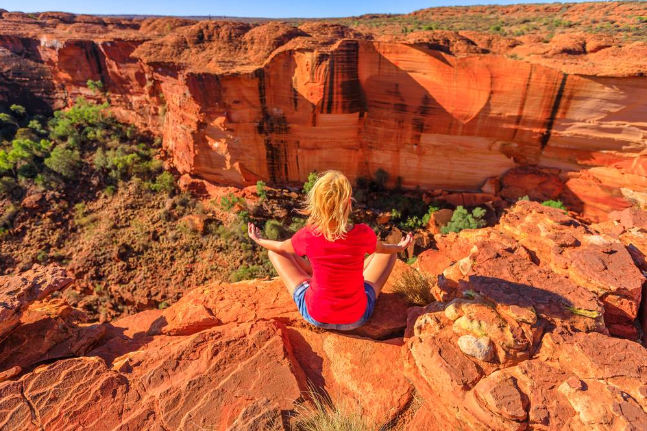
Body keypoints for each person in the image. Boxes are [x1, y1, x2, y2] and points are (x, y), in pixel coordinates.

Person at [247, 170, 413, 330]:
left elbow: (281, 247)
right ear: (349, 203)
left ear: (316, 204)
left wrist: (259, 239)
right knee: (390, 254)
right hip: (357, 318)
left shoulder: (308, 235)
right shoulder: (363, 233)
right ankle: (340, 272)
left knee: (275, 252)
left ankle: (316, 271)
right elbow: (384, 249)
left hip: (316, 316)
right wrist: (400, 246)